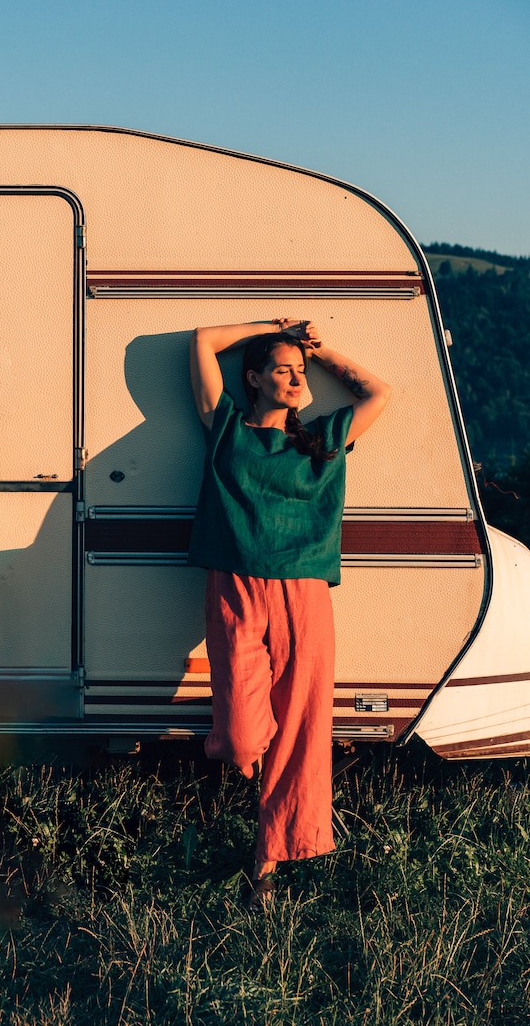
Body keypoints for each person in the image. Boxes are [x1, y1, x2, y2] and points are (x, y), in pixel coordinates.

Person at [188, 317, 391, 906]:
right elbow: (201, 341)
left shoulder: (323, 438)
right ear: (252, 379)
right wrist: (273, 327)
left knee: (302, 728)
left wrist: (317, 352)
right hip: (236, 585)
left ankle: (267, 863)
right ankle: (244, 773)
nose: (296, 378)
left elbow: (378, 393)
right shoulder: (225, 427)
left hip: (303, 590)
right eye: (284, 369)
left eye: (299, 372)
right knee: (243, 735)